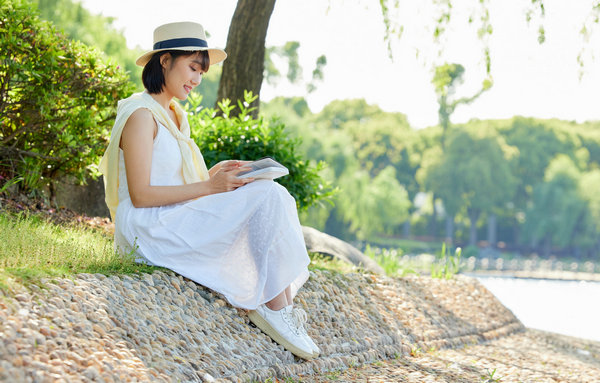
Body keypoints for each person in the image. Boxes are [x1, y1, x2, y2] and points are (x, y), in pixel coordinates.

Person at [98, 21, 319, 360]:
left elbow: (175, 179)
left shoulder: (173, 114)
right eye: (192, 68)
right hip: (148, 225)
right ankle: (274, 307)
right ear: (165, 61)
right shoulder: (141, 115)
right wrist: (210, 186)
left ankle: (281, 307)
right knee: (267, 197)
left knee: (271, 191)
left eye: (201, 71)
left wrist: (217, 175)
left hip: (171, 214)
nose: (197, 80)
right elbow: (140, 195)